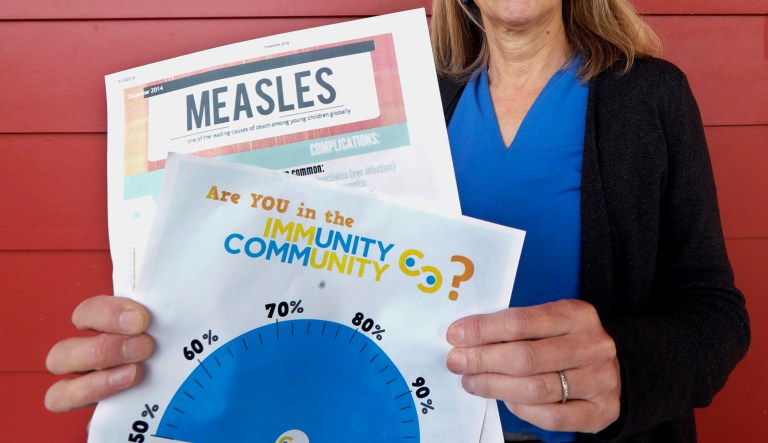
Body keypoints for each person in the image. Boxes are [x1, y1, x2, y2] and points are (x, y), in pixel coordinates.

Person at [45, 1, 749, 442]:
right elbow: (319, 276)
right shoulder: (412, 102)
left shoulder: (649, 96)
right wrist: (170, 340)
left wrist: (628, 366)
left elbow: (718, 314)